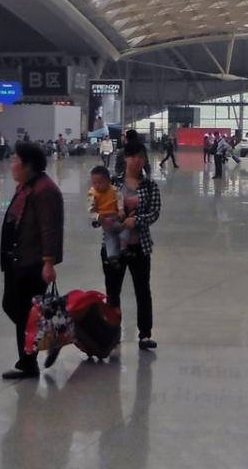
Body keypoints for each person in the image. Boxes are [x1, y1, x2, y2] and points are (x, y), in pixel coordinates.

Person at [0, 142, 63, 379]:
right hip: (18, 259)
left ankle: (29, 360)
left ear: (28, 165)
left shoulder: (44, 190)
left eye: (15, 160)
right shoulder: (27, 186)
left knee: (23, 310)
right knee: (16, 308)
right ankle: (43, 342)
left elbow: (49, 229)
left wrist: (48, 262)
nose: (12, 164)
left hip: (33, 262)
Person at [106, 143, 160, 350]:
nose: (137, 160)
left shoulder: (149, 186)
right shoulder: (112, 183)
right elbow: (99, 206)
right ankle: (113, 333)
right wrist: (110, 217)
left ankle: (145, 334)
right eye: (132, 156)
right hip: (114, 248)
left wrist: (136, 220)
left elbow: (154, 212)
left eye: (141, 157)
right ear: (125, 159)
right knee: (113, 292)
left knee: (142, 291)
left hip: (140, 247)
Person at [88, 165, 129, 263]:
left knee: (124, 228)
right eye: (94, 183)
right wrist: (99, 217)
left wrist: (121, 210)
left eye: (100, 183)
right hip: (104, 219)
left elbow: (119, 200)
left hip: (115, 216)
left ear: (108, 181)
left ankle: (123, 247)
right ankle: (112, 255)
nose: (97, 185)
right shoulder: (92, 194)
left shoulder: (114, 190)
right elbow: (91, 211)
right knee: (110, 235)